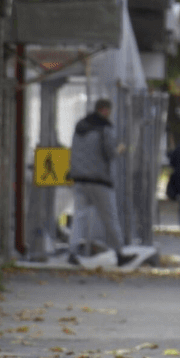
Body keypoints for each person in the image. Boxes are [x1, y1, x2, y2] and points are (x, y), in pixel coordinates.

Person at [67, 98, 137, 267]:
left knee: (80, 216)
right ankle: (120, 254)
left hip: (79, 179)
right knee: (110, 218)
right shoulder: (105, 128)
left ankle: (72, 251)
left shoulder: (79, 127)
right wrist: (120, 149)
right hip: (99, 180)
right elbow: (109, 153)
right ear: (106, 110)